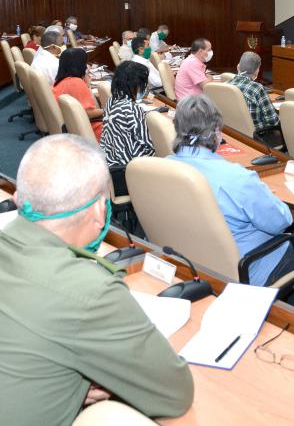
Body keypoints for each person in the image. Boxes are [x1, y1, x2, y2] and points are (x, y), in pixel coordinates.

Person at [0, 134, 193, 425]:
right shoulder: (90, 292)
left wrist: (69, 383)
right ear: (99, 211)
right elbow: (175, 393)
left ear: (19, 198)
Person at [168, 95, 294, 311]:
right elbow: (281, 222)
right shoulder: (236, 178)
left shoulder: (164, 167)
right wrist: (264, 194)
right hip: (246, 267)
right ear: (217, 131)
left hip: (193, 259)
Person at [100, 61, 155, 167]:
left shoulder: (112, 100)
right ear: (136, 85)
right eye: (144, 83)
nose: (146, 87)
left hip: (111, 161)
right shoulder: (130, 108)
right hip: (129, 165)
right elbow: (148, 145)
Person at [52, 48, 103, 141]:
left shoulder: (59, 82)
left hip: (76, 129)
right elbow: (88, 113)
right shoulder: (76, 82)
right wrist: (107, 110)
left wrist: (87, 85)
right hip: (92, 129)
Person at [227, 51, 279, 130]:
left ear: (238, 66)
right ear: (257, 70)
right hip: (258, 136)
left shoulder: (226, 84)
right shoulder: (257, 88)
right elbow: (273, 121)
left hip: (233, 131)